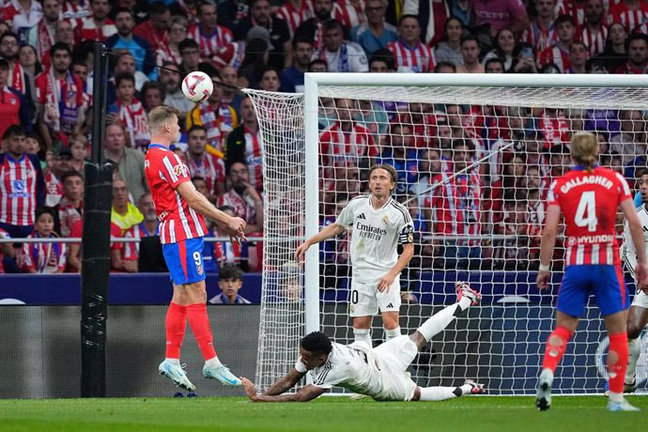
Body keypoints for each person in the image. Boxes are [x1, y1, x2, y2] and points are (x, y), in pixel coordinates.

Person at [535, 132, 648, 412]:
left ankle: (548, 373)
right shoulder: (614, 180)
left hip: (576, 264)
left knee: (563, 328)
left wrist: (544, 267)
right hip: (606, 265)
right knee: (620, 332)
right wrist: (643, 264)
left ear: (571, 154)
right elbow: (634, 222)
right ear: (598, 150)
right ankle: (616, 397)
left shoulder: (560, 185)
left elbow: (549, 231)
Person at [144, 105, 246, 391]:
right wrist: (228, 219)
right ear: (166, 127)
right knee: (196, 293)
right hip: (182, 234)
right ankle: (212, 362)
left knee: (182, 294)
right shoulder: (166, 157)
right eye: (177, 124)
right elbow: (194, 198)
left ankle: (172, 360)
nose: (179, 129)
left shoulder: (151, 157)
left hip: (180, 233)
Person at [240, 282, 484, 402]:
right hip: (378, 355)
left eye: (305, 357)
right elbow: (289, 381)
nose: (302, 360)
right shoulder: (315, 350)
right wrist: (261, 393)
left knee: (416, 393)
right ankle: (465, 301)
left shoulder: (337, 367)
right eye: (302, 355)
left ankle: (467, 388)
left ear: (321, 359)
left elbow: (301, 395)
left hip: (384, 382)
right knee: (418, 337)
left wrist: (258, 398)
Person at [296, 164, 415, 346]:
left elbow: (409, 249)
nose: (378, 182)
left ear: (391, 184)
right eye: (374, 178)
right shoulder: (357, 204)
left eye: (382, 178)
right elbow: (337, 227)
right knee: (359, 325)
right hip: (360, 275)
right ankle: (365, 368)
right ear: (369, 183)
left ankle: (396, 366)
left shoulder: (400, 213)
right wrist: (309, 242)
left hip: (386, 274)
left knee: (390, 323)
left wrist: (392, 275)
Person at [620, 168, 648, 393]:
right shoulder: (636, 218)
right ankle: (628, 380)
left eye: (647, 183)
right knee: (632, 328)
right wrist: (640, 279)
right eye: (641, 184)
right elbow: (627, 253)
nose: (644, 188)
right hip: (647, 285)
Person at [18, 207, 66, 273]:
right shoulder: (29, 241)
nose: (47, 225)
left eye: (50, 221)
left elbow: (61, 266)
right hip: (33, 278)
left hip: (54, 279)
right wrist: (40, 280)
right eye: (42, 221)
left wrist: (55, 279)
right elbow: (29, 265)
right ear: (35, 225)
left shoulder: (59, 242)